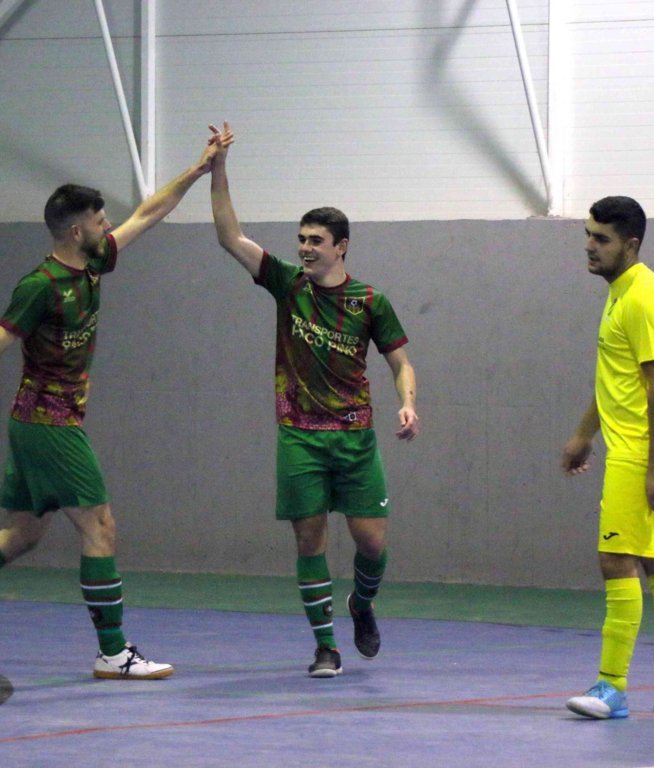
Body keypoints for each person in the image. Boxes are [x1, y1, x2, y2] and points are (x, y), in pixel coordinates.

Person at [0, 134, 226, 681]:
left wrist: (197, 171)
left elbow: (148, 213)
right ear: (76, 231)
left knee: (22, 534)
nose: (108, 226)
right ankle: (113, 652)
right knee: (101, 525)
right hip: (48, 424)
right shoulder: (41, 286)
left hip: (38, 424)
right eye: (99, 220)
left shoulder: (93, 264)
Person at [209, 123, 420, 677]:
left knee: (371, 544)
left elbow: (401, 361)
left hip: (354, 438)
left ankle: (362, 604)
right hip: (300, 436)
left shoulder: (370, 301)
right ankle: (325, 646)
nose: (304, 248)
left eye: (315, 241)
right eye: (301, 239)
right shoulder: (287, 284)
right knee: (309, 540)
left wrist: (408, 402)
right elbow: (230, 236)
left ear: (340, 246)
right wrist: (219, 168)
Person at [563, 196, 654, 720]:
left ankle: (611, 688)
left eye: (602, 239)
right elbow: (620, 380)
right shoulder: (623, 292)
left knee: (616, 558)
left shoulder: (642, 297)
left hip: (644, 450)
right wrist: (584, 434)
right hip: (652, 446)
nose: (590, 247)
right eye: (588, 235)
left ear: (631, 244)